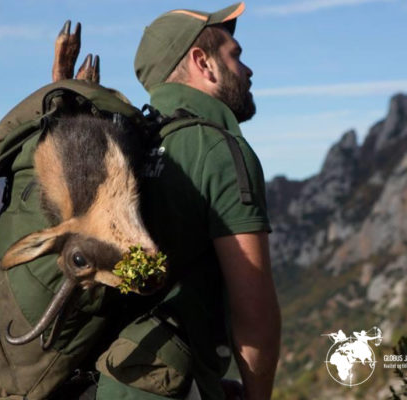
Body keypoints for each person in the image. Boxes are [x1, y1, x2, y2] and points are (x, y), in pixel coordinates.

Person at [96, 3, 281, 400]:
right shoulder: (216, 149)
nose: (247, 71)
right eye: (236, 55)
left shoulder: (128, 143)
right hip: (169, 387)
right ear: (204, 63)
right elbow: (254, 310)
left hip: (106, 380)